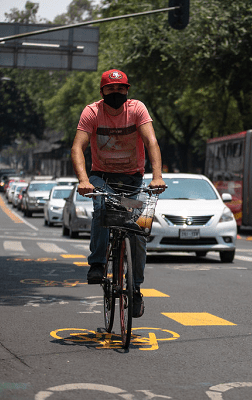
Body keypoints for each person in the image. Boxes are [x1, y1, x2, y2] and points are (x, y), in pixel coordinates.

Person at [71, 69, 166, 318]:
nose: (116, 93)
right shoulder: (91, 112)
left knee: (138, 231)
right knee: (102, 209)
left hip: (133, 180)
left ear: (127, 90)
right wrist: (83, 180)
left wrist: (157, 176)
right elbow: (77, 147)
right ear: (102, 92)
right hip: (101, 178)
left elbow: (151, 142)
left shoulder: (136, 109)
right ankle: (97, 264)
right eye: (111, 89)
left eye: (121, 88)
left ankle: (135, 288)